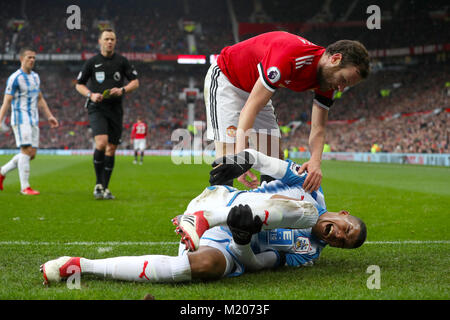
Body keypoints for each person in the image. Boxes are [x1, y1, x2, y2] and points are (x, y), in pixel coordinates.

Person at [40, 150, 367, 284]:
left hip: (230, 240)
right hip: (223, 200)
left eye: (342, 242)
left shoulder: (306, 253)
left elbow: (257, 264)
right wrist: (244, 160)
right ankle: (206, 218)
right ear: (344, 214)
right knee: (308, 212)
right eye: (345, 229)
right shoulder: (312, 189)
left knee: (195, 268)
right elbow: (268, 162)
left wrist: (241, 241)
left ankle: (82, 266)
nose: (338, 235)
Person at [205, 31, 370, 191]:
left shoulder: (328, 81)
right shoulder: (290, 56)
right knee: (228, 154)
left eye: (346, 85)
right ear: (335, 59)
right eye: (343, 80)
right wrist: (241, 157)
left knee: (273, 158)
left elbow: (318, 127)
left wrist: (315, 162)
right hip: (227, 79)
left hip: (256, 89)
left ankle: (266, 212)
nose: (340, 89)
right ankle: (214, 213)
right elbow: (251, 107)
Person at [75, 29, 139, 200]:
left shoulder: (122, 61)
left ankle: (105, 187)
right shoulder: (92, 62)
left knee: (111, 148)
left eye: (112, 39)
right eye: (106, 39)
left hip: (116, 110)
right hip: (97, 107)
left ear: (115, 42)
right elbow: (79, 84)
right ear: (100, 41)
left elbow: (135, 81)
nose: (109, 42)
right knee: (101, 143)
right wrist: (91, 94)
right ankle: (98, 183)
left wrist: (123, 89)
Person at [0, 47, 59, 195]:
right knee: (26, 151)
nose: (32, 60)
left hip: (34, 119)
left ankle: (2, 172)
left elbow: (39, 98)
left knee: (31, 154)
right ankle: (25, 187)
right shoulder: (15, 78)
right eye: (29, 57)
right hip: (21, 118)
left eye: (33, 57)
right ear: (21, 59)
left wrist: (49, 116)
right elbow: (6, 102)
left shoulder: (35, 77)